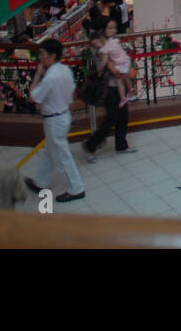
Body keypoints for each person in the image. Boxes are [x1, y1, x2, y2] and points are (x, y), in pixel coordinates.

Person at [23, 39, 86, 203]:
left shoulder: (50, 77)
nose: (40, 57)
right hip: (63, 115)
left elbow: (33, 97)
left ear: (52, 55)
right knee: (50, 151)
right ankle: (40, 182)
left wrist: (37, 74)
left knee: (61, 156)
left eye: (42, 54)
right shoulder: (65, 70)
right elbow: (71, 92)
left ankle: (76, 189)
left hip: (54, 120)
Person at [82, 28, 137, 164]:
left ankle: (121, 145)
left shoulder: (109, 47)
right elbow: (114, 71)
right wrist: (124, 72)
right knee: (111, 119)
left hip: (117, 88)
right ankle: (91, 145)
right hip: (110, 90)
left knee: (123, 116)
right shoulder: (101, 52)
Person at [97, 18, 135, 108]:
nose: (114, 30)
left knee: (119, 79)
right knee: (122, 79)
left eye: (114, 28)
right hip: (124, 62)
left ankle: (125, 96)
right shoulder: (114, 41)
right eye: (110, 28)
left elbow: (106, 61)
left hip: (120, 65)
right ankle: (129, 91)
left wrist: (100, 69)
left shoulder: (107, 45)